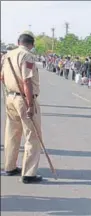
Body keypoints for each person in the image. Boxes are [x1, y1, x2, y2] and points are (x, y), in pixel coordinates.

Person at [0, 31, 43, 184]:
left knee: (12, 133)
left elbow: (2, 77)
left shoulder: (7, 55)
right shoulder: (27, 56)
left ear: (19, 41)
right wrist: (30, 105)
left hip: (10, 97)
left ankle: (10, 166)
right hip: (24, 99)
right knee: (33, 135)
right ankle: (29, 173)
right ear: (31, 44)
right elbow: (27, 81)